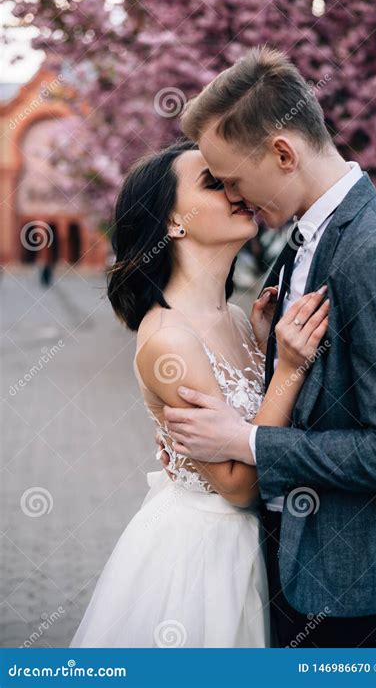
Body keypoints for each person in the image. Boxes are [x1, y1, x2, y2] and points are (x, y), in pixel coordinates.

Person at [162, 47, 376, 648]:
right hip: (298, 554)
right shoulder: (309, 234)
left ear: (282, 152)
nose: (236, 198)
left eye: (235, 180)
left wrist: (243, 440)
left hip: (346, 574)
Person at [70, 140, 329, 648]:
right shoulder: (170, 339)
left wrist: (261, 347)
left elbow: (251, 422)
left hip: (263, 548)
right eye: (214, 184)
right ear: (172, 223)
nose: (236, 191)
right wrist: (290, 369)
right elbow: (236, 485)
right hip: (207, 562)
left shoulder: (234, 316)